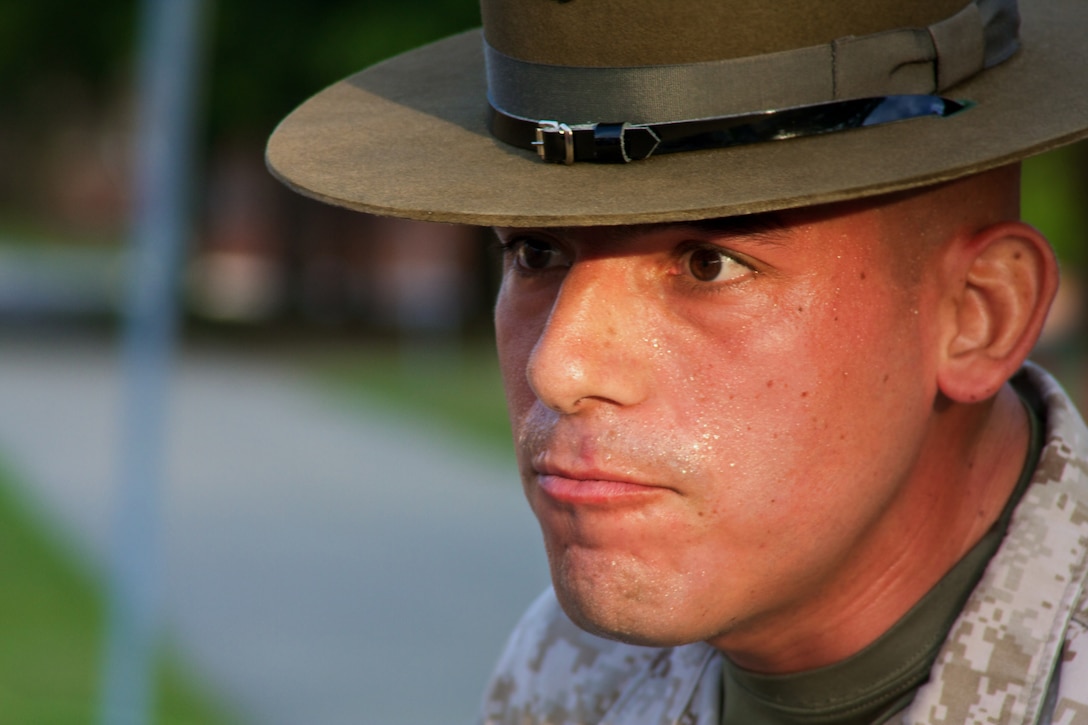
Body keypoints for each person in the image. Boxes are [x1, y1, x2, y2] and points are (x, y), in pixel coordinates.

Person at [266, 0, 1088, 721]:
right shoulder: (568, 676)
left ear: (978, 315)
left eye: (708, 263)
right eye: (536, 250)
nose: (559, 366)